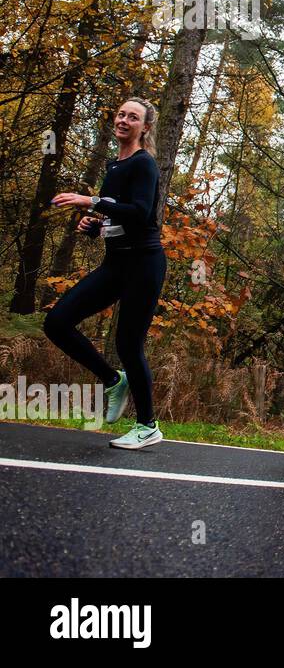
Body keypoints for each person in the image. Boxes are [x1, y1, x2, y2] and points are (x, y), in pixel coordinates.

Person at [46, 99, 167, 450]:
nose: (124, 120)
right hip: (116, 263)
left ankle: (147, 426)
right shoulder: (116, 165)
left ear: (145, 128)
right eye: (121, 114)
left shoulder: (144, 164)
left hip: (144, 264)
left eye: (133, 117)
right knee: (57, 322)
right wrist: (95, 226)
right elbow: (121, 217)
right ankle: (113, 380)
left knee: (129, 344)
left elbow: (142, 214)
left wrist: (92, 202)